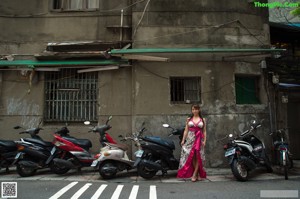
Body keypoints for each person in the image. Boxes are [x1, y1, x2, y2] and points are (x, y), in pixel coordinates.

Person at [177, 104, 207, 182]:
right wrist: (183, 140)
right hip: (190, 138)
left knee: (198, 156)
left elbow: (204, 131)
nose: (194, 111)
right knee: (192, 155)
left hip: (199, 139)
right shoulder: (189, 119)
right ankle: (196, 173)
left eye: (196, 109)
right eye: (193, 109)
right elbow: (186, 130)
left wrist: (204, 140)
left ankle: (194, 174)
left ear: (199, 110)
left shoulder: (202, 119)